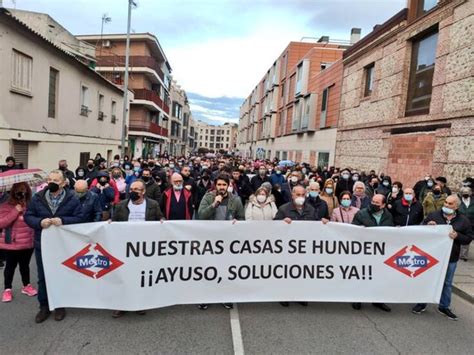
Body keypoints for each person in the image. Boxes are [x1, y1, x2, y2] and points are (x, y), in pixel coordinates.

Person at [24, 170, 83, 323]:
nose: (52, 182)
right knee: (43, 276)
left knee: (61, 274)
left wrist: (63, 220)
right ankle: (44, 306)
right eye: (49, 179)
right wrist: (39, 222)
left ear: (63, 183)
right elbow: (28, 216)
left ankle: (60, 305)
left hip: (64, 245)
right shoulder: (38, 198)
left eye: (56, 180)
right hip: (42, 244)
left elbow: (80, 218)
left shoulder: (73, 198)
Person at [412, 195, 472, 320]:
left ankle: (444, 306)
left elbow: (468, 238)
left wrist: (458, 236)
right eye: (445, 202)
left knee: (447, 283)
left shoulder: (463, 220)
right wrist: (427, 226)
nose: (446, 205)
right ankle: (422, 303)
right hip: (431, 257)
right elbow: (421, 229)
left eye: (450, 204)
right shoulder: (434, 215)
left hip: (451, 257)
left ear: (456, 206)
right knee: (427, 279)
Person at [111, 179, 164, 318]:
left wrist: (162, 221)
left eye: (136, 189)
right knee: (124, 276)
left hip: (144, 248)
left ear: (143, 191)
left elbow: (160, 218)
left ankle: (139, 303)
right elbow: (114, 223)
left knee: (141, 276)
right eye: (131, 189)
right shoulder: (121, 205)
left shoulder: (153, 205)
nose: (132, 192)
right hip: (125, 246)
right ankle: (121, 305)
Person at [197, 174, 244, 310]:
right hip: (210, 240)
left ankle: (225, 296)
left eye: (224, 185)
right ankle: (205, 297)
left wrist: (237, 222)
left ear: (229, 185)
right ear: (215, 185)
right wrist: (214, 204)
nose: (222, 187)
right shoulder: (208, 197)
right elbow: (201, 215)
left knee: (226, 270)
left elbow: (241, 218)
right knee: (208, 269)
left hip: (228, 240)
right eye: (219, 185)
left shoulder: (235, 200)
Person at [274, 185, 318, 307]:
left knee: (302, 273)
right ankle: (284, 295)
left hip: (304, 248)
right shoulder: (283, 209)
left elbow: (317, 226)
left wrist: (324, 223)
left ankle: (300, 295)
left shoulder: (311, 209)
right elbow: (274, 226)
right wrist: (282, 223)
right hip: (288, 248)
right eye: (298, 195)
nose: (300, 197)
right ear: (292, 195)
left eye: (303, 195)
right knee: (286, 272)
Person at [352, 194, 394, 312]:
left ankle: (378, 300)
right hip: (364, 250)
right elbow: (351, 230)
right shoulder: (361, 213)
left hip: (380, 251)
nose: (373, 204)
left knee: (379, 276)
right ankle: (357, 298)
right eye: (373, 202)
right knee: (361, 275)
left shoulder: (388, 216)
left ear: (383, 205)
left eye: (377, 203)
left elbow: (390, 232)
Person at [0, 182, 37, 303]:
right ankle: (7, 289)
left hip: (28, 242)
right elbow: (2, 223)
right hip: (11, 243)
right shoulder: (5, 205)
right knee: (10, 267)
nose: (22, 192)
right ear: (13, 191)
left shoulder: (31, 205)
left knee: (25, 266)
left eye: (24, 189)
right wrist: (15, 211)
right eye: (19, 190)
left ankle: (26, 286)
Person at [458, 186, 473, 261]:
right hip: (461, 222)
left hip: (472, 223)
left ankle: (463, 255)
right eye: (464, 193)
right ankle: (463, 255)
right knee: (462, 238)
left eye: (467, 193)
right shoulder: (459, 202)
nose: (465, 194)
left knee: (469, 238)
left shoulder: (473, 201)